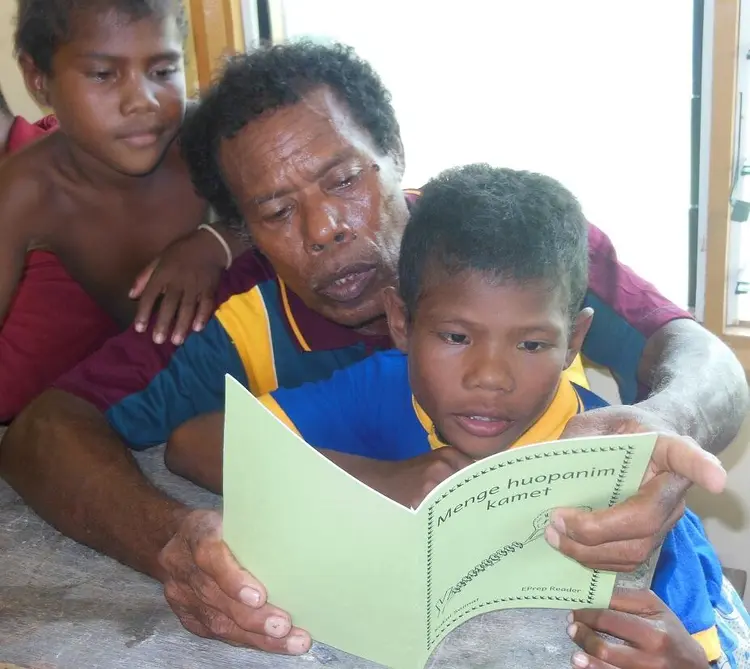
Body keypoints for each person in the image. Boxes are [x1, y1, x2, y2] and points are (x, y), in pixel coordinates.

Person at [0, 42, 746, 655]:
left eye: (345, 178)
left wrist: (666, 423)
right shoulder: (236, 314)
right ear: (242, 231)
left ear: (394, 153)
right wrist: (170, 541)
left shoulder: (510, 252)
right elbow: (43, 430)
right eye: (276, 210)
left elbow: (702, 356)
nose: (324, 228)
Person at [169, 164, 750, 666]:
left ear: (573, 342)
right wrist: (378, 479)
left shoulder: (624, 478)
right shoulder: (381, 387)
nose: (490, 377)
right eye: (455, 336)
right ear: (401, 322)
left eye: (531, 344)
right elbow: (194, 444)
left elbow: (689, 647)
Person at [0, 0, 247, 422]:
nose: (142, 101)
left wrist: (216, 242)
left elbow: (303, 218)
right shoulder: (25, 189)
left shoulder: (213, 136)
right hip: (163, 384)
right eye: (103, 74)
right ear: (37, 78)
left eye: (163, 71)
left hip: (280, 349)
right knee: (47, 425)